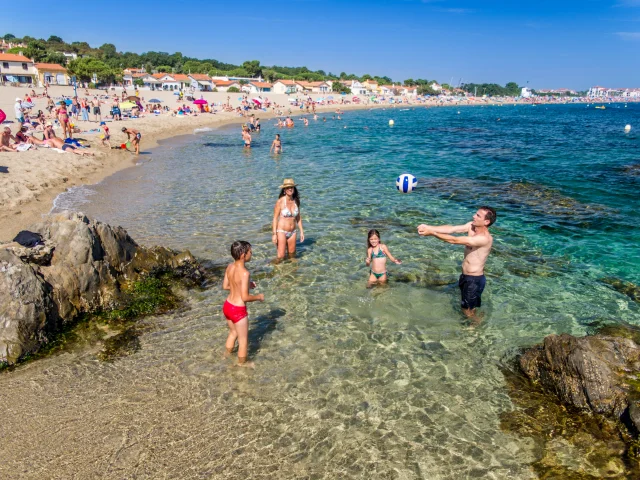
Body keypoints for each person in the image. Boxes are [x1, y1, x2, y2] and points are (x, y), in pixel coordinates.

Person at [417, 207, 497, 320]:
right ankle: (474, 319)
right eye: (476, 213)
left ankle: (475, 328)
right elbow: (452, 229)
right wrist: (429, 227)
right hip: (466, 276)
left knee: (466, 309)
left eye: (478, 215)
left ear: (486, 222)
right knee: (468, 306)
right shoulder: (471, 226)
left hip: (474, 280)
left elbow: (455, 240)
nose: (474, 216)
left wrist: (432, 233)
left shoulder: (484, 239)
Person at [222, 241, 264, 367]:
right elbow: (245, 297)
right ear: (242, 255)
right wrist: (258, 297)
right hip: (238, 310)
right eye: (250, 252)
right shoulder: (245, 273)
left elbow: (225, 286)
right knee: (243, 340)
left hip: (228, 305)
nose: (251, 254)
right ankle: (242, 364)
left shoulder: (229, 266)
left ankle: (225, 355)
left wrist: (244, 286)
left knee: (233, 333)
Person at [272, 178, 304, 259]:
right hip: (281, 231)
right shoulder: (280, 201)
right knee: (281, 256)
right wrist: (274, 234)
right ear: (284, 189)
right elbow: (275, 218)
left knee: (292, 255)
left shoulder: (296, 201)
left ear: (294, 188)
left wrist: (302, 232)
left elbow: (298, 217)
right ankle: (275, 270)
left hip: (293, 232)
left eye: (292, 187)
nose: (290, 189)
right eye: (288, 187)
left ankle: (293, 271)